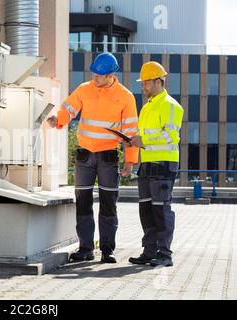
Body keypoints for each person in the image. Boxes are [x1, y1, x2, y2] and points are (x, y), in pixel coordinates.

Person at [47, 52, 139, 263]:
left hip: (108, 156)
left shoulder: (125, 97)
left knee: (108, 204)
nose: (95, 77)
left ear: (110, 75)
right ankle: (86, 248)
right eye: (94, 73)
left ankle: (107, 250)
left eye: (100, 75)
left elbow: (131, 131)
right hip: (85, 155)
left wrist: (130, 161)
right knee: (83, 202)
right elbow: (68, 109)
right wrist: (58, 120)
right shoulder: (84, 89)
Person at [127, 61, 184, 267]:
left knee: (161, 209)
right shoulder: (147, 107)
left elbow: (171, 136)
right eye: (142, 83)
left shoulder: (171, 105)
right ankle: (149, 251)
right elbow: (147, 136)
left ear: (159, 82)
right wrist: (134, 140)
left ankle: (165, 254)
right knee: (147, 210)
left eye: (146, 83)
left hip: (164, 164)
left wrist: (144, 140)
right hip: (147, 163)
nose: (143, 86)